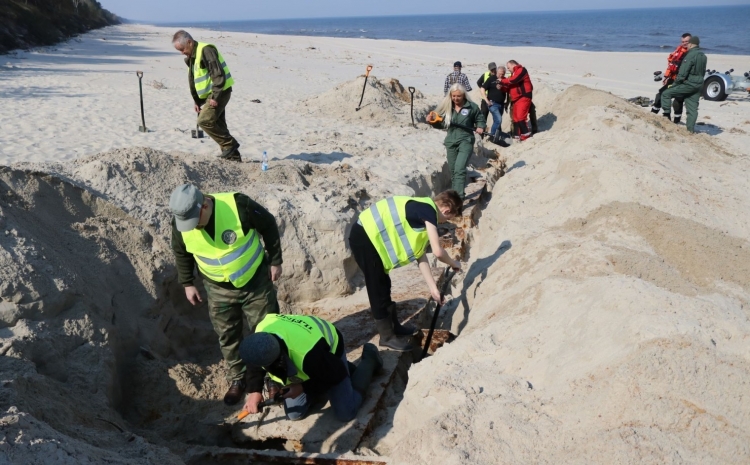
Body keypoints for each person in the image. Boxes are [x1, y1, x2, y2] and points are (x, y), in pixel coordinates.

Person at [169, 184, 283, 405]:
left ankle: (273, 378)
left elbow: (268, 225)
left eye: (195, 220)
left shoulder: (238, 205)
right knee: (227, 334)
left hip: (256, 281)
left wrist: (275, 260)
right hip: (218, 288)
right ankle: (238, 378)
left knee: (266, 330)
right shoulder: (182, 221)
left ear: (204, 205)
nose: (193, 227)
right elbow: (181, 251)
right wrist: (187, 283)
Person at [348, 191, 463, 352]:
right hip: (364, 237)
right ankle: (386, 337)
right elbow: (437, 252)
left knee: (383, 284)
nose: (444, 222)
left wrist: (433, 288)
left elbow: (420, 255)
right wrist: (453, 262)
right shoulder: (428, 212)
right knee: (377, 288)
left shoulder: (422, 211)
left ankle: (394, 327)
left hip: (371, 239)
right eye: (447, 219)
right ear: (446, 211)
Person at [239, 314, 383, 422]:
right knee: (294, 414)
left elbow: (335, 373)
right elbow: (254, 362)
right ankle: (346, 370)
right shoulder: (258, 336)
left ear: (278, 358)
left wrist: (302, 388)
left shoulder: (308, 354)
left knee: (346, 412)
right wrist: (255, 391)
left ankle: (370, 359)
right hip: (308, 347)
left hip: (327, 346)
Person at [172, 30, 242, 162]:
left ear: (189, 42)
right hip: (212, 93)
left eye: (182, 49)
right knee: (219, 125)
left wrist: (215, 97)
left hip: (220, 91)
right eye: (179, 51)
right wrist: (197, 101)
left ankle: (230, 145)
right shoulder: (192, 56)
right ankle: (233, 157)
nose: (182, 53)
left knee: (204, 121)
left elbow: (218, 74)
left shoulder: (206, 50)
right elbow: (195, 81)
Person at [427, 84, 486, 198]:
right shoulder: (447, 108)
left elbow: (480, 119)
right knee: (453, 170)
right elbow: (442, 125)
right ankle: (456, 195)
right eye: (453, 96)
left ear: (463, 95)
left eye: (458, 96)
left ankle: (458, 198)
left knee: (459, 168)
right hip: (451, 141)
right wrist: (432, 122)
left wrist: (480, 126)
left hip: (466, 140)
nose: (456, 98)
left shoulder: (472, 107)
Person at [660, 36, 707, 133]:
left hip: (690, 83)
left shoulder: (690, 55)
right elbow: (702, 71)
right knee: (692, 108)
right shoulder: (703, 56)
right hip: (699, 84)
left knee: (666, 94)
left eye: (688, 44)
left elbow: (683, 73)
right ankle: (690, 130)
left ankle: (666, 117)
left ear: (690, 44)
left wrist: (675, 84)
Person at [651, 33, 691, 123]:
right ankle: (653, 115)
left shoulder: (693, 54)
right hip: (673, 79)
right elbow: (671, 65)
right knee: (660, 95)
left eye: (686, 41)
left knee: (678, 100)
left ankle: (676, 122)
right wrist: (666, 77)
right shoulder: (678, 50)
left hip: (683, 82)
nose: (684, 43)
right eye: (683, 41)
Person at [500, 60, 534, 141]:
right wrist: (502, 86)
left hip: (524, 96)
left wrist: (503, 81)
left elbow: (514, 80)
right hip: (516, 98)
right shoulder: (513, 74)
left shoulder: (521, 70)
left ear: (513, 65)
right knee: (515, 118)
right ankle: (516, 136)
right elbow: (510, 87)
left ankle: (525, 135)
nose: (508, 69)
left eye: (508, 67)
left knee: (520, 117)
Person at [482, 64, 508, 143]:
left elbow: (508, 91)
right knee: (498, 119)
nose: (501, 75)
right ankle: (492, 135)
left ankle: (497, 135)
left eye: (503, 74)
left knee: (497, 120)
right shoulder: (491, 79)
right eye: (500, 73)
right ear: (497, 72)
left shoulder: (505, 80)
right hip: (492, 103)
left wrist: (507, 102)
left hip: (501, 103)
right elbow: (482, 88)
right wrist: (486, 100)